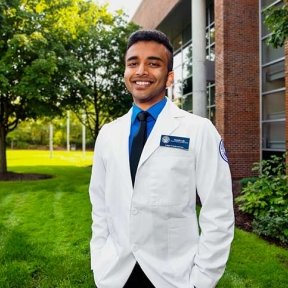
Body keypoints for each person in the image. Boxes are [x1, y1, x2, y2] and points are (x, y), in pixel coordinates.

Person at [89, 29, 234, 288]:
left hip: (174, 277)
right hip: (115, 274)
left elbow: (219, 211)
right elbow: (99, 204)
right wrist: (99, 258)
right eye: (133, 63)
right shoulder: (108, 134)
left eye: (153, 63)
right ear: (125, 72)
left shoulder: (199, 130)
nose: (141, 71)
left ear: (169, 78)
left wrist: (202, 280)